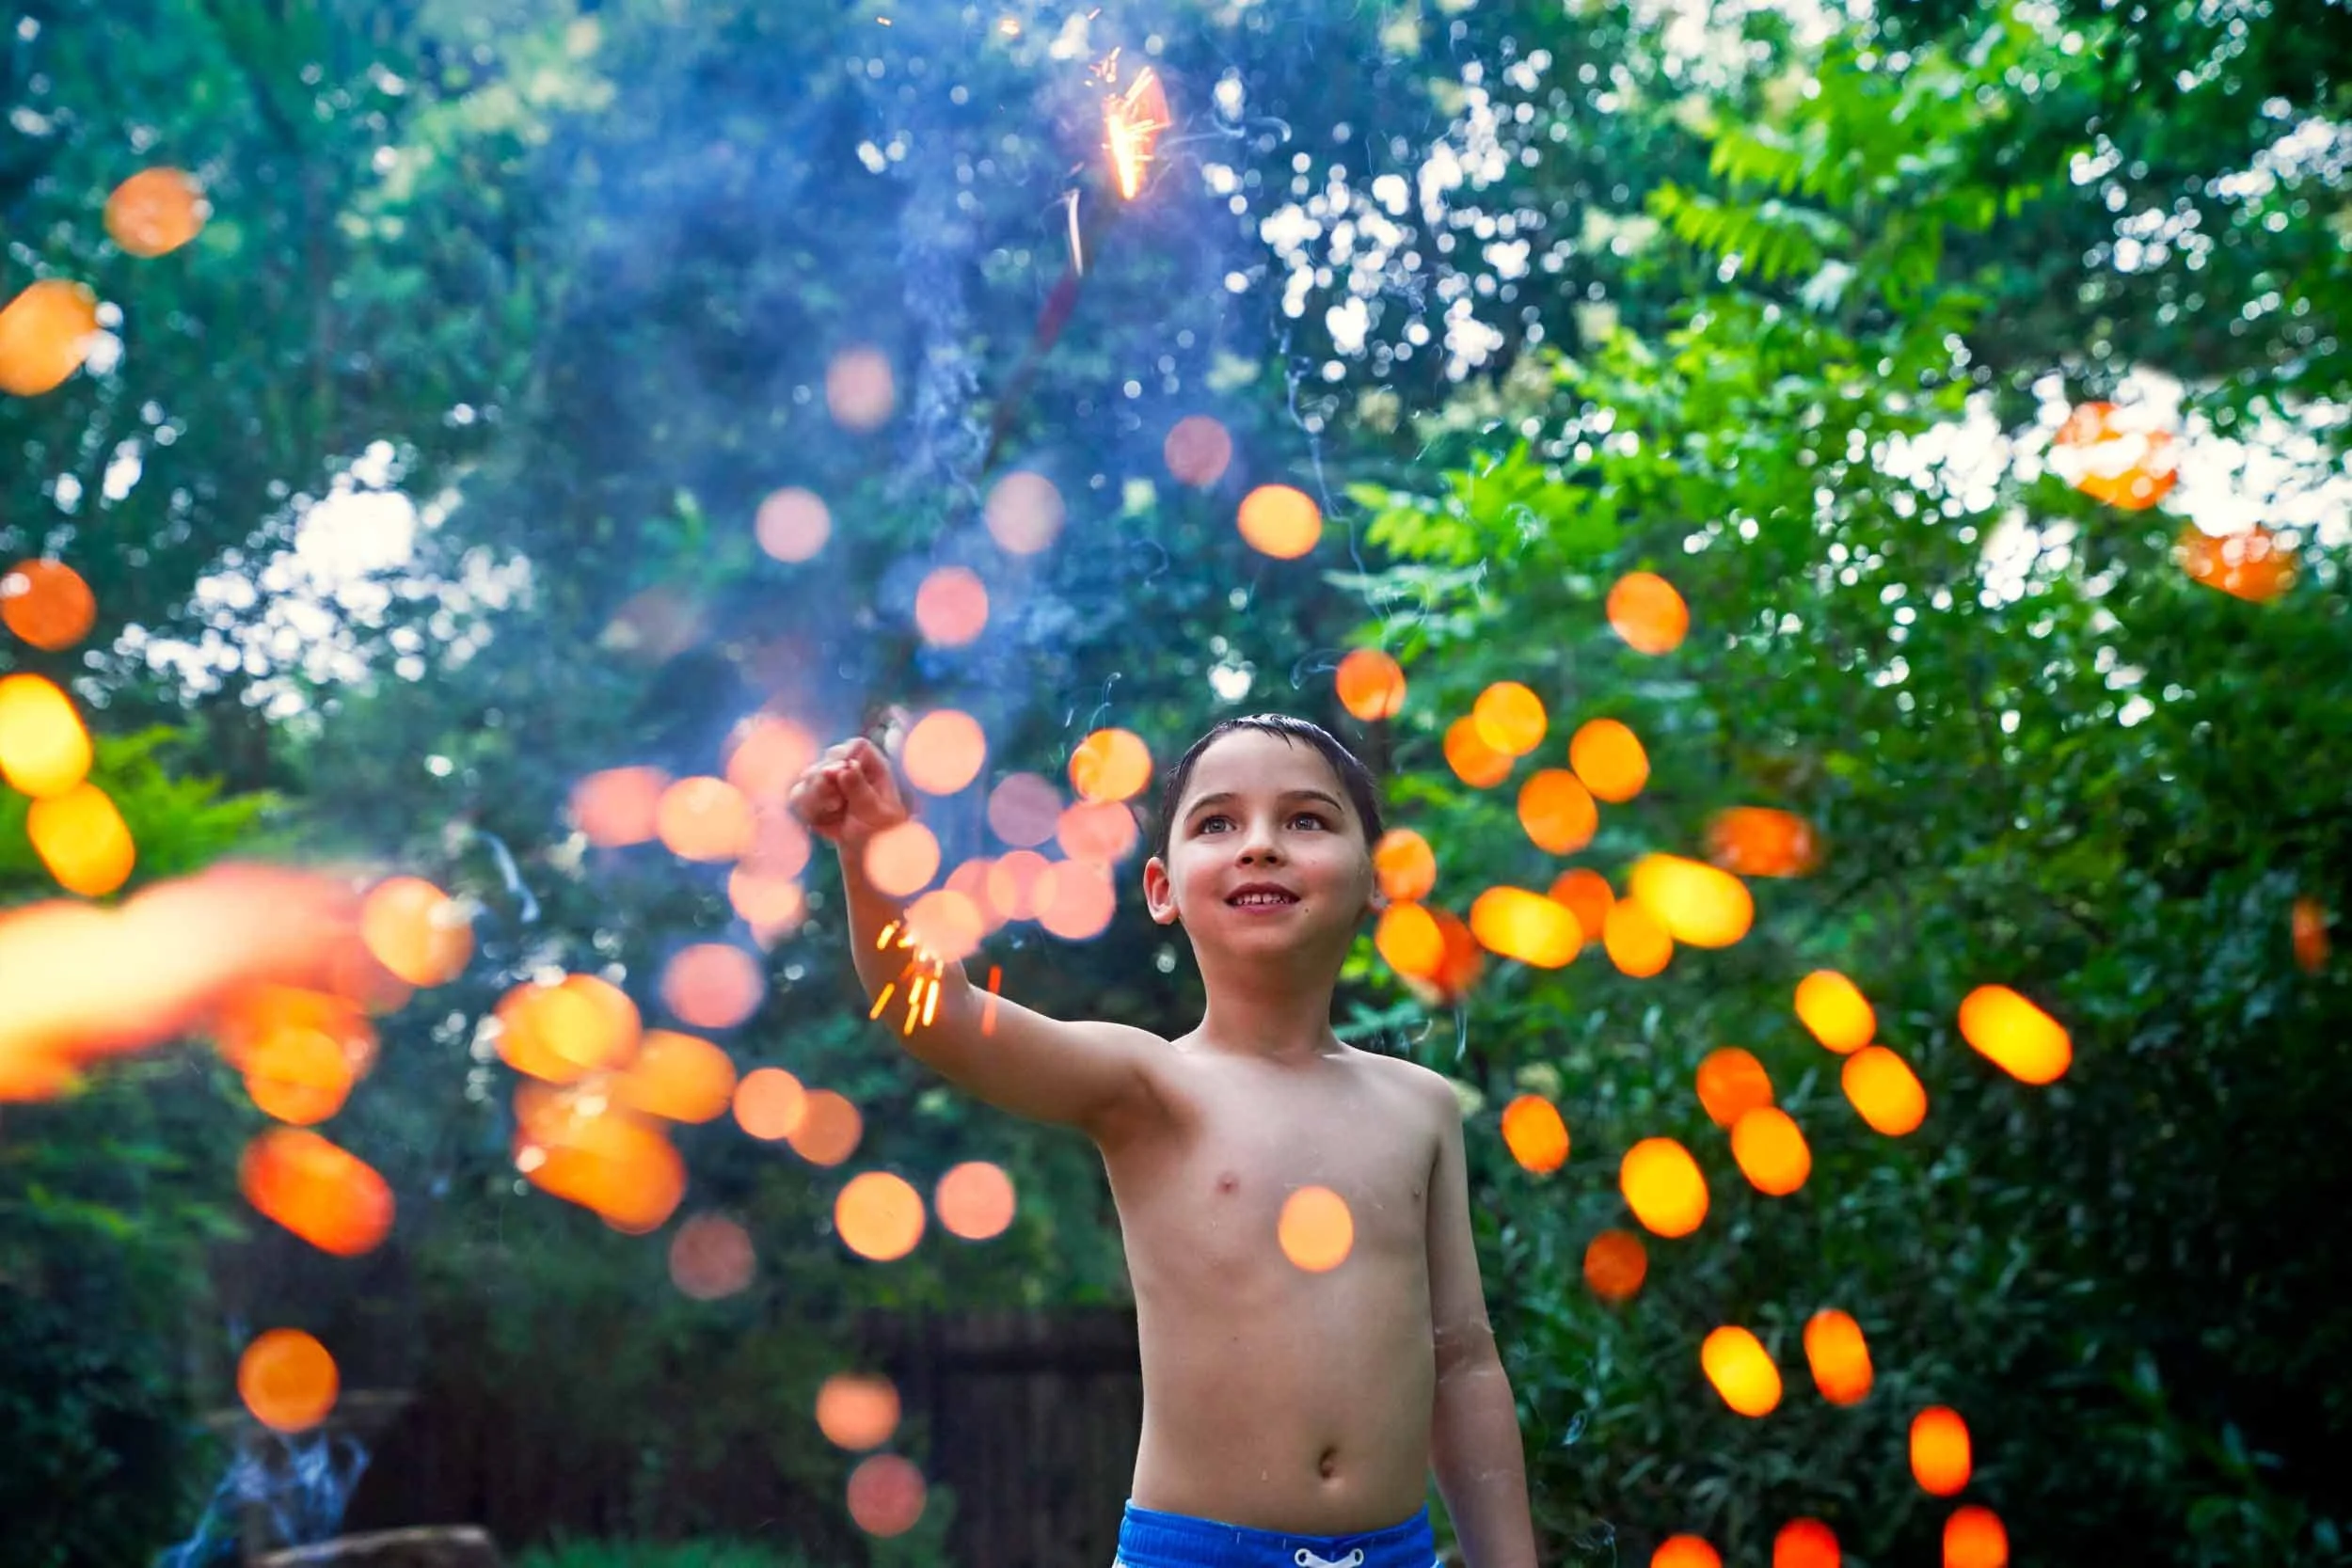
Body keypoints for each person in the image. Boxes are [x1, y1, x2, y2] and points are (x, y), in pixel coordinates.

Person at [789, 714, 1539, 1568]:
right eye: (1217, 822)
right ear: (1162, 887)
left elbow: (1465, 1362)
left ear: (1376, 877)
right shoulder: (1148, 1086)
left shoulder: (1421, 1105)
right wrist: (872, 859)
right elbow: (940, 1015)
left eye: (1307, 819)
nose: (1260, 845)